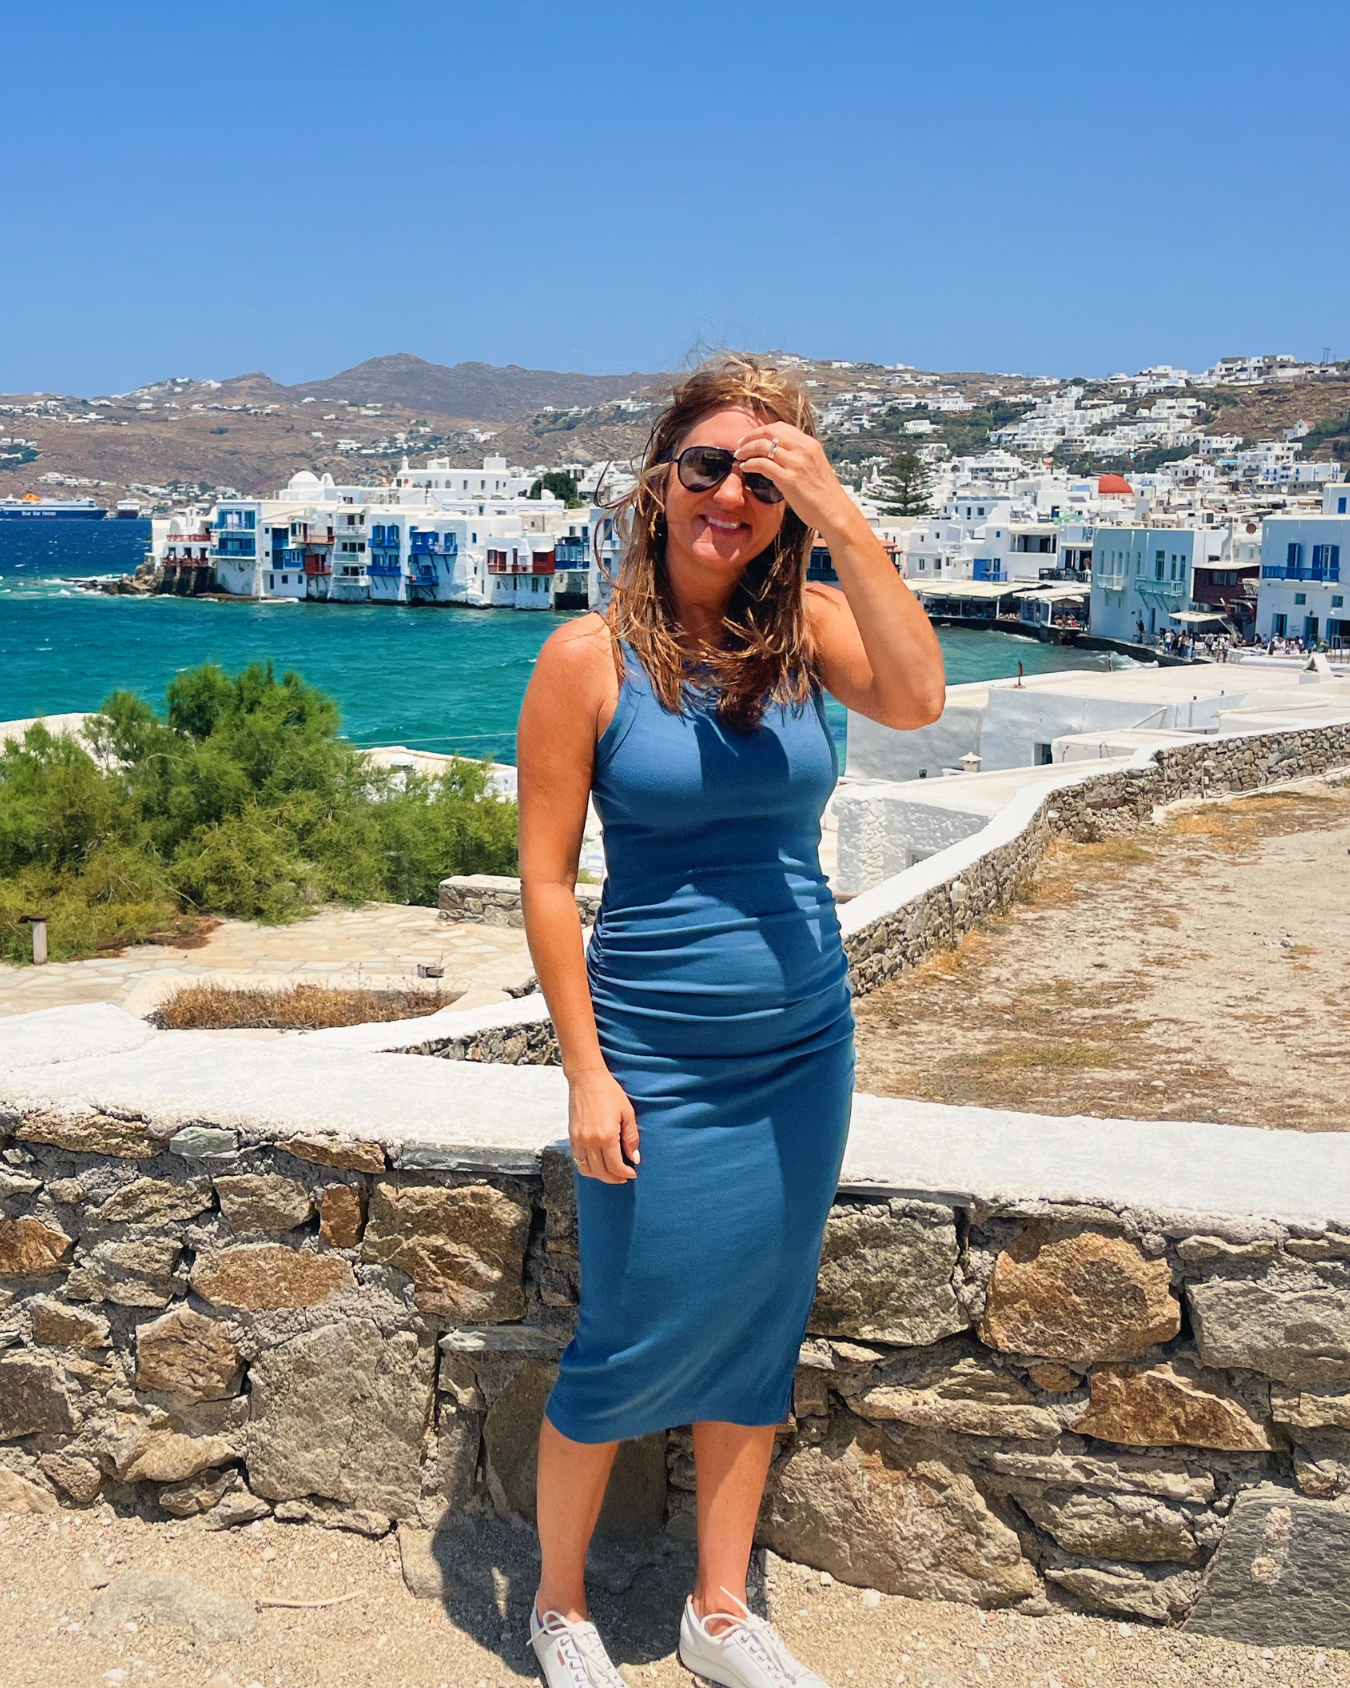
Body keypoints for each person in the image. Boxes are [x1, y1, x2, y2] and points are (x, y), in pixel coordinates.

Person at [516, 357, 945, 1688]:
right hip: (651, 1047)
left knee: (762, 1321)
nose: (731, 497)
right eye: (708, 467)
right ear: (661, 482)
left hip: (804, 1046)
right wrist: (585, 1074)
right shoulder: (587, 658)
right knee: (629, 1329)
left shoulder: (808, 629)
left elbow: (918, 699)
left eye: (764, 480)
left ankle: (717, 1611)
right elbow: (546, 881)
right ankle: (558, 1607)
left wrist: (842, 518)